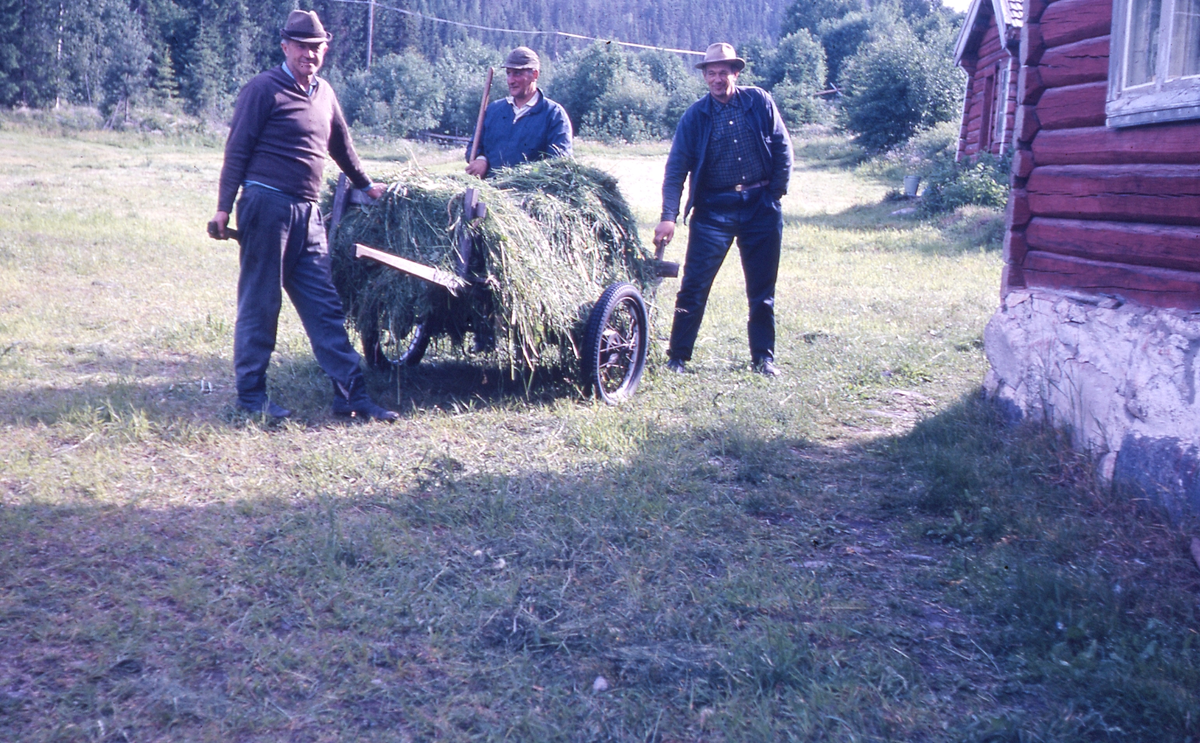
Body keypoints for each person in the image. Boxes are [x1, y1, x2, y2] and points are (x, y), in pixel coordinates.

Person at [208, 10, 397, 421]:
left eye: (316, 49)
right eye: (301, 48)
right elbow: (237, 149)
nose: (309, 55)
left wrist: (365, 185)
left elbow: (341, 146)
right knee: (261, 302)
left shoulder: (324, 93)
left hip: (308, 214)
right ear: (285, 47)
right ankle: (251, 399)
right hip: (266, 207)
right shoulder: (263, 88)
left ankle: (351, 396)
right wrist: (224, 206)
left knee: (324, 304)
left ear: (324, 50)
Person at [654, 42, 793, 377]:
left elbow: (782, 148)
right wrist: (668, 217)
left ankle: (764, 358)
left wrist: (773, 195)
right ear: (705, 76)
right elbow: (676, 170)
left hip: (760, 207)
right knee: (694, 285)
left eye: (723, 72)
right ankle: (677, 358)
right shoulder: (695, 116)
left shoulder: (759, 101)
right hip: (713, 211)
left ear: (736, 72)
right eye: (710, 73)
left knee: (762, 290)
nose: (717, 79)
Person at [465, 46, 572, 178]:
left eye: (517, 73)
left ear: (535, 75)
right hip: (488, 192)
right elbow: (473, 148)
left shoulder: (553, 115)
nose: (511, 80)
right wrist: (481, 160)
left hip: (529, 194)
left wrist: (528, 176)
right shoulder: (493, 110)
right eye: (508, 73)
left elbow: (559, 164)